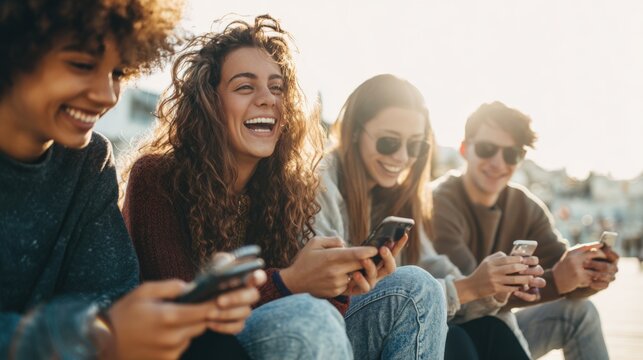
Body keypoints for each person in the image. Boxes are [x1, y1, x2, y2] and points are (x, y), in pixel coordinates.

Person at [123, 16, 447, 359]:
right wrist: (288, 281)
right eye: (245, 86)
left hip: (290, 335)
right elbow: (185, 307)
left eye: (276, 88)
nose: (268, 99)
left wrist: (339, 289)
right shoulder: (158, 177)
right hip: (201, 346)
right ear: (209, 101)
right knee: (309, 317)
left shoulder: (285, 191)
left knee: (416, 287)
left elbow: (315, 324)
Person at [0, 1, 263, 359]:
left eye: (118, 73)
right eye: (81, 65)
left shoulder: (90, 160)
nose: (107, 95)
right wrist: (94, 336)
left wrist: (168, 314)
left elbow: (110, 292)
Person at [313, 74, 545, 359]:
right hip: (330, 331)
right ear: (356, 132)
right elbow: (325, 296)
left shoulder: (399, 198)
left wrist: (490, 287)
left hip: (376, 325)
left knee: (484, 330)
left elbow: (434, 265)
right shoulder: (321, 183)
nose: (401, 156)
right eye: (388, 142)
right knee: (419, 289)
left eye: (416, 146)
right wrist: (469, 287)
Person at [431, 101, 619, 359]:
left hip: (499, 329)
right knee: (492, 321)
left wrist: (590, 274)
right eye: (487, 149)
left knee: (582, 312)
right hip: (448, 338)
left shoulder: (526, 206)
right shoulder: (437, 202)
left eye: (511, 154)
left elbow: (563, 270)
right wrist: (558, 281)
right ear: (464, 149)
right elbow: (471, 294)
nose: (498, 163)